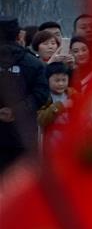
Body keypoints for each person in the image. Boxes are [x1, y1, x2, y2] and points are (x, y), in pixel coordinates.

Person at [0, 16, 49, 172]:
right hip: (23, 134)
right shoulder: (33, 63)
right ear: (19, 36)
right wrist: (18, 110)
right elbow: (41, 94)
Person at [37, 62, 72, 129]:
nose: (61, 84)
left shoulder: (72, 94)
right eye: (57, 80)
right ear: (47, 80)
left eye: (64, 80)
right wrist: (60, 106)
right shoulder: (44, 96)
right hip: (51, 135)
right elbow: (40, 119)